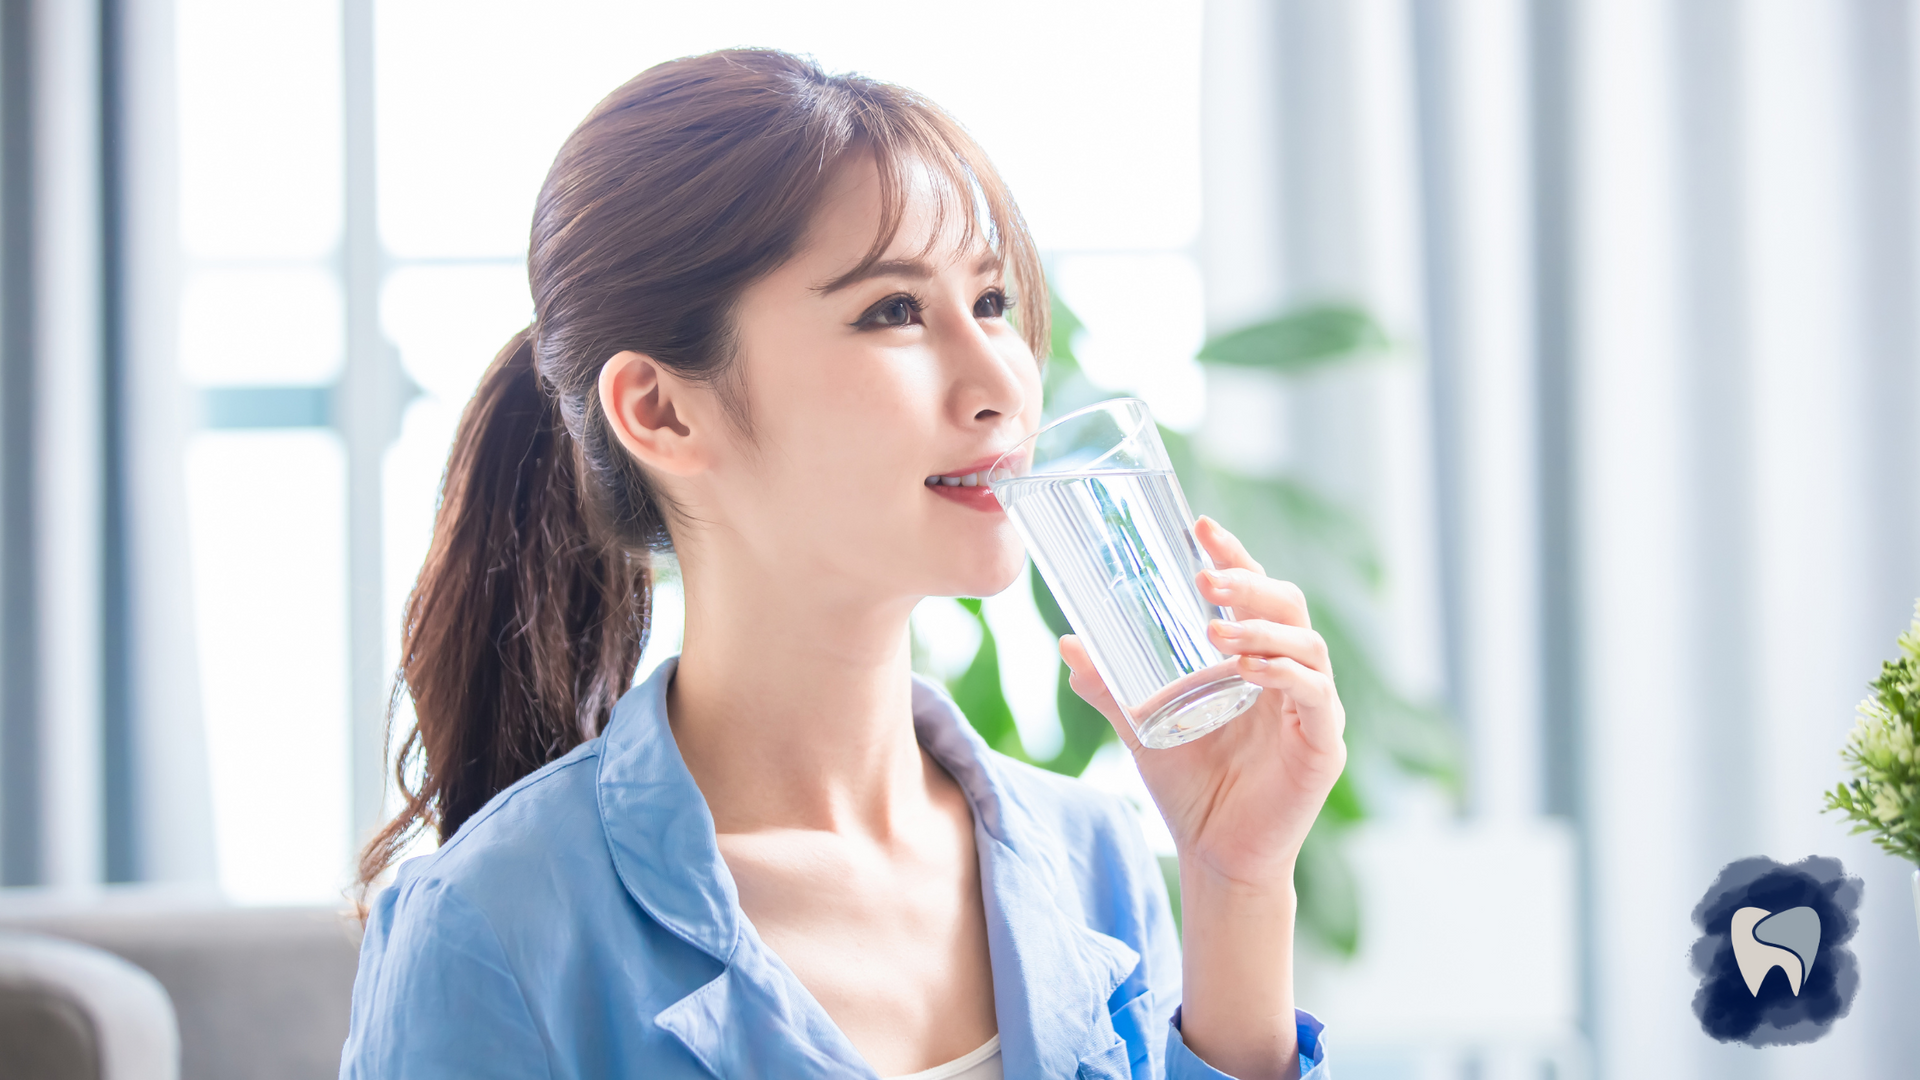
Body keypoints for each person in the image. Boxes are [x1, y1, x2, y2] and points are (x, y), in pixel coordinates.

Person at [339, 48, 1345, 1080]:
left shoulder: (1094, 857)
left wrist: (1238, 883)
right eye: (893, 311)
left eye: (992, 301)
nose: (1001, 380)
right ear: (662, 409)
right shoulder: (490, 927)